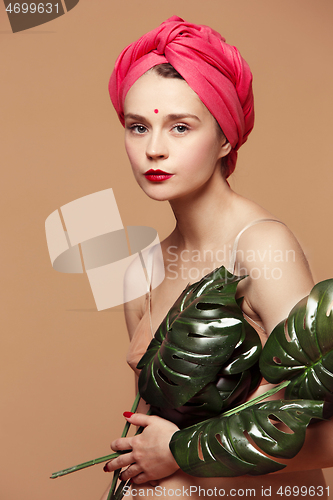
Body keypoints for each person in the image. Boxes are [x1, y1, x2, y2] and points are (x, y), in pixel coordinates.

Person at [101, 16, 333, 499]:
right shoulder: (139, 272)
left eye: (180, 127)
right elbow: (152, 430)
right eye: (138, 127)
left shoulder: (261, 247)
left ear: (225, 137)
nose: (155, 150)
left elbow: (327, 436)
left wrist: (184, 451)